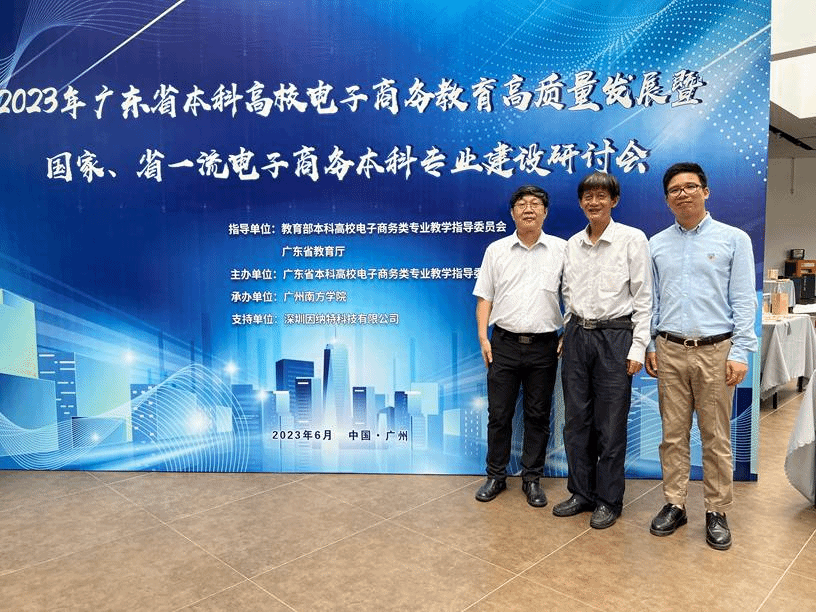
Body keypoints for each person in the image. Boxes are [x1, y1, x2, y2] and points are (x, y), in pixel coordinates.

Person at [645, 162, 757, 550]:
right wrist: (649, 345)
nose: (683, 194)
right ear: (667, 200)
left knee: (715, 436)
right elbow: (652, 301)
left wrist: (740, 351)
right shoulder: (656, 244)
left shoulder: (734, 239)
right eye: (675, 190)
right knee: (672, 435)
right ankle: (674, 504)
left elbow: (743, 299)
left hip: (716, 351)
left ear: (706, 192)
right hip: (669, 349)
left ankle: (716, 510)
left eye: (690, 187)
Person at [553, 171, 652, 529]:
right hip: (578, 336)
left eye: (601, 196)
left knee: (610, 425)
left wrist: (638, 347)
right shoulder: (572, 244)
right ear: (581, 202)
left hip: (616, 337)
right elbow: (568, 292)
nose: (594, 202)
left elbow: (644, 297)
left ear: (614, 200)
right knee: (576, 422)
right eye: (588, 196)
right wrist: (568, 330)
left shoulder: (632, 239)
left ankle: (609, 500)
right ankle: (581, 493)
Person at [472, 185, 566, 507]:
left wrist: (567, 334)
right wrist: (483, 337)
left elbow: (574, 295)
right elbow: (484, 297)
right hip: (504, 343)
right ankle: (495, 475)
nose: (529, 208)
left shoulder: (561, 249)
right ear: (512, 213)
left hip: (545, 346)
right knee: (499, 414)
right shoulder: (496, 250)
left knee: (538, 415)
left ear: (545, 212)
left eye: (535, 203)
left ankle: (532, 478)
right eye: (522, 204)